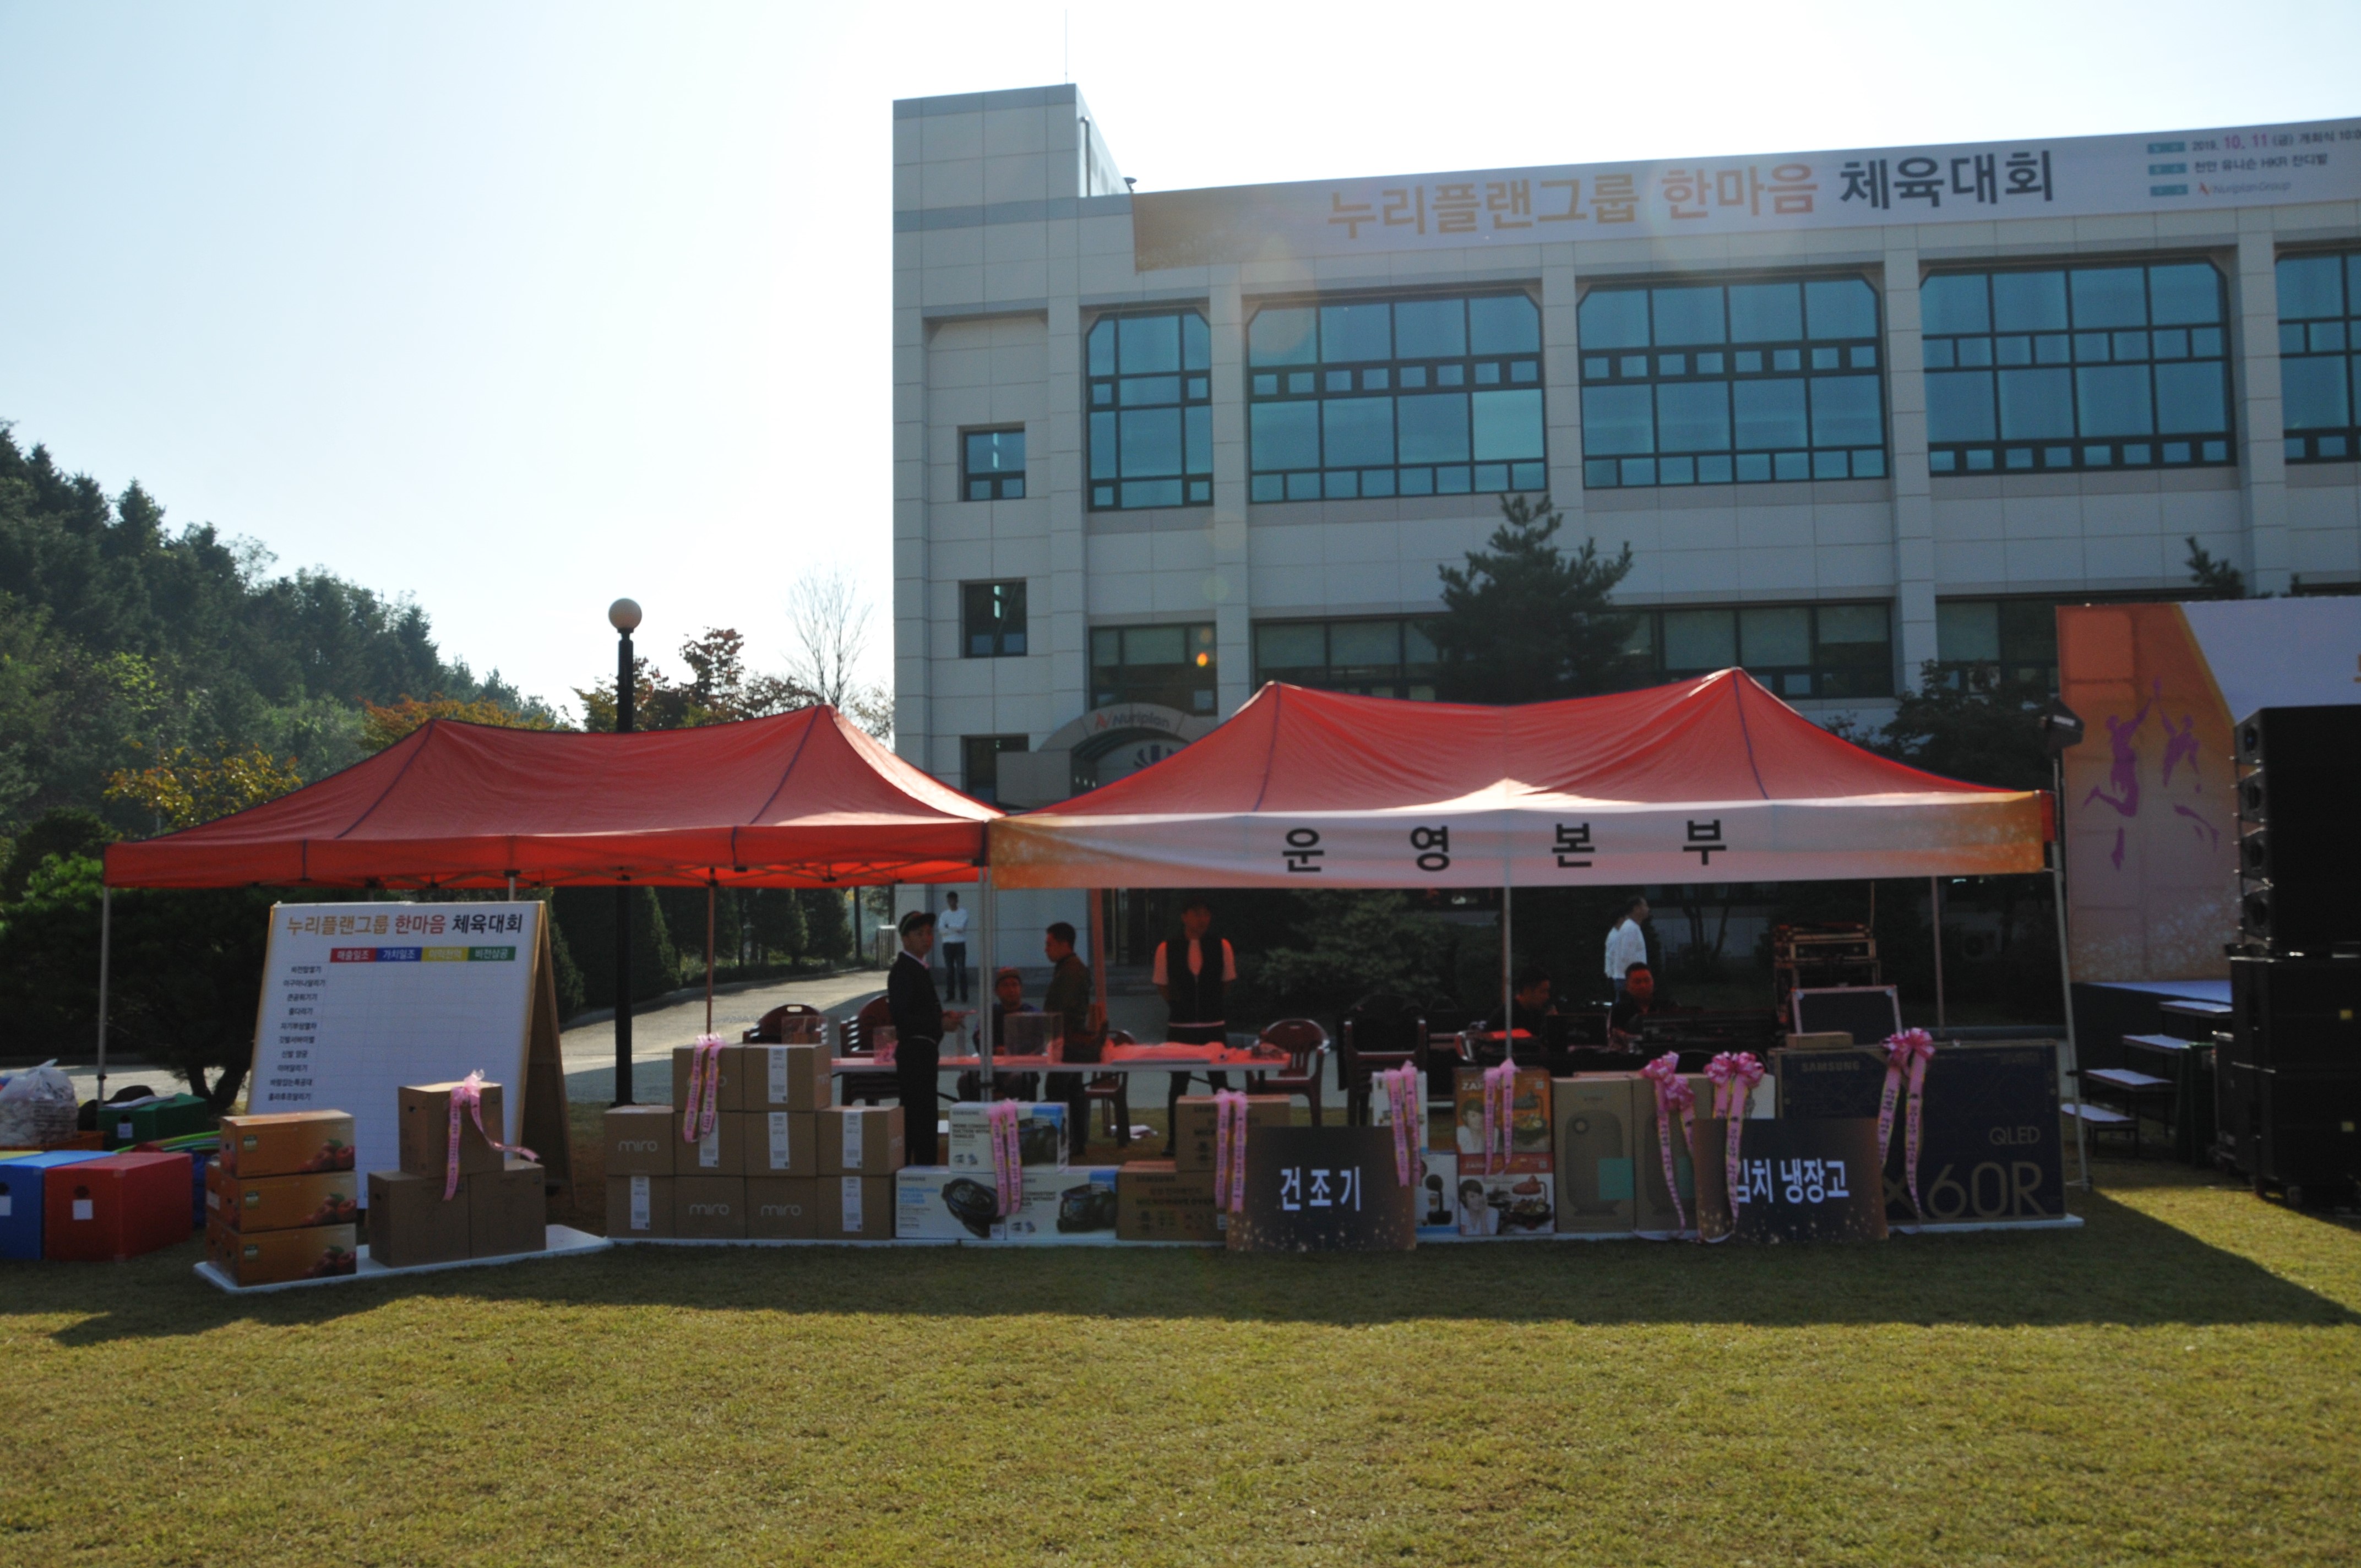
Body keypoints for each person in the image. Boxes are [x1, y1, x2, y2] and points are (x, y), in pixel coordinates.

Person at [1155, 896, 1237, 1155]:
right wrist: (1179, 1004)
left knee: (1219, 1081)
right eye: (1197, 913)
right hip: (1181, 1025)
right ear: (1185, 917)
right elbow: (1162, 984)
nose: (1203, 919)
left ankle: (1227, 1136)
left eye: (1206, 914)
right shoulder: (1167, 948)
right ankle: (1174, 1140)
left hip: (1214, 1023)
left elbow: (1226, 982)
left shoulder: (1222, 945)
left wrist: (1211, 1002)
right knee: (1178, 1084)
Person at [888, 909, 962, 1165]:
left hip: (924, 1053)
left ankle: (918, 1170)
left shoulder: (917, 968)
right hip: (914, 1054)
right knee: (920, 1119)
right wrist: (938, 1022)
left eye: (930, 933)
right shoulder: (903, 970)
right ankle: (919, 1172)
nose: (926, 939)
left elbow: (919, 1010)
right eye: (919, 934)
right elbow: (902, 1017)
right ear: (905, 939)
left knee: (923, 1117)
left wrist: (941, 1016)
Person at [1042, 922, 1094, 1157]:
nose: (1046, 949)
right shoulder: (1069, 968)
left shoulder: (1071, 970)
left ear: (1064, 944)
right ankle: (1075, 1141)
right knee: (1072, 1089)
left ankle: (1069, 1140)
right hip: (1067, 1039)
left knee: (1059, 1089)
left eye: (1049, 944)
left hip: (1067, 1040)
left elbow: (1065, 1009)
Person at [958, 968, 1037, 1101]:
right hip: (991, 1068)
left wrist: (1010, 1051)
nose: (1011, 990)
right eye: (1005, 986)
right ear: (996, 991)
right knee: (965, 1081)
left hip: (1020, 1068)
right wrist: (995, 1050)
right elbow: (979, 1038)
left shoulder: (1032, 1014)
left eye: (1015, 985)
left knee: (1017, 1080)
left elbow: (1037, 1043)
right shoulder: (990, 1013)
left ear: (1021, 989)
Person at [1607, 962, 1677, 1046]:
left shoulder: (1668, 1006)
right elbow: (1614, 1037)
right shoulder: (1619, 1010)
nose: (1643, 986)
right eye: (1637, 982)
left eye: (1647, 981)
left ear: (1653, 982)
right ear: (1627, 986)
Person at [1604, 896, 1650, 998]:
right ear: (1637, 909)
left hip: (1629, 980)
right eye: (1645, 906)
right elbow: (1627, 958)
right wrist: (1636, 980)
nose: (1648, 909)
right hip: (1629, 981)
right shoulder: (1630, 929)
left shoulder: (1632, 927)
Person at [938, 891, 970, 1002]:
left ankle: (964, 996)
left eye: (953, 900)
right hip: (947, 945)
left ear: (957, 900)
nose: (951, 902)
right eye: (949, 900)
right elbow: (941, 930)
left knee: (961, 971)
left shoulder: (963, 912)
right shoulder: (944, 914)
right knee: (949, 971)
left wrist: (948, 926)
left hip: (960, 944)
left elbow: (961, 928)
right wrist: (954, 928)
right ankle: (950, 995)